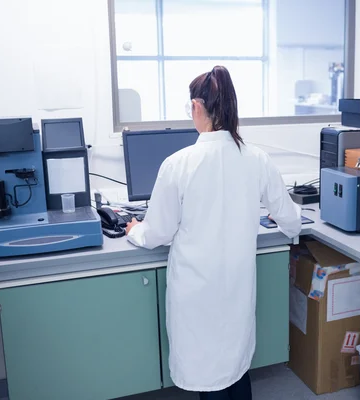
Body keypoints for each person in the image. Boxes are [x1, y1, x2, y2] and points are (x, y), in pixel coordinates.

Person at [125, 65, 302, 399]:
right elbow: (291, 221)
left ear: (196, 107)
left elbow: (157, 233)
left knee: (209, 373)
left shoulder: (178, 164)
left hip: (196, 292)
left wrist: (135, 230)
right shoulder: (257, 159)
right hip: (235, 287)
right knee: (233, 366)